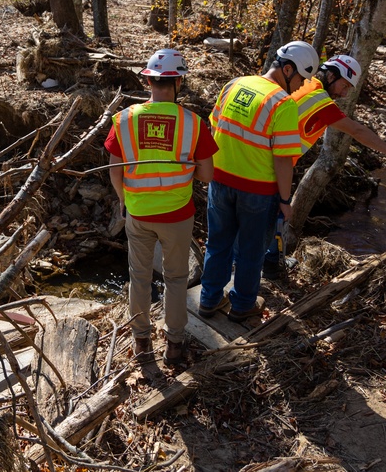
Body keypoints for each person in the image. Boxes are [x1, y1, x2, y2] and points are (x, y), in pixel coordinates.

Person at [261, 54, 386, 278]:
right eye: (344, 85)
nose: (344, 93)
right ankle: (268, 265)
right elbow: (357, 131)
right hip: (273, 167)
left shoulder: (303, 84)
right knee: (275, 215)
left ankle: (267, 260)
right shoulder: (319, 101)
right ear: (330, 75)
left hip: (260, 157)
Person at [106, 49, 217, 366]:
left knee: (139, 277)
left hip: (139, 214)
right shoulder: (194, 124)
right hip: (177, 215)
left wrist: (125, 201)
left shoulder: (125, 119)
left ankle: (141, 342)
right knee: (177, 279)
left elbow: (116, 171)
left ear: (147, 80)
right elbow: (207, 174)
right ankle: (174, 346)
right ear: (178, 82)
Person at [198, 40, 318, 322]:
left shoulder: (235, 83)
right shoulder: (282, 103)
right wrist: (286, 201)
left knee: (218, 244)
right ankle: (241, 306)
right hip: (257, 191)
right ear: (288, 70)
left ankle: (209, 300)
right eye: (301, 78)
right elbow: (283, 159)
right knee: (251, 252)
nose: (302, 86)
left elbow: (214, 126)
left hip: (220, 182)